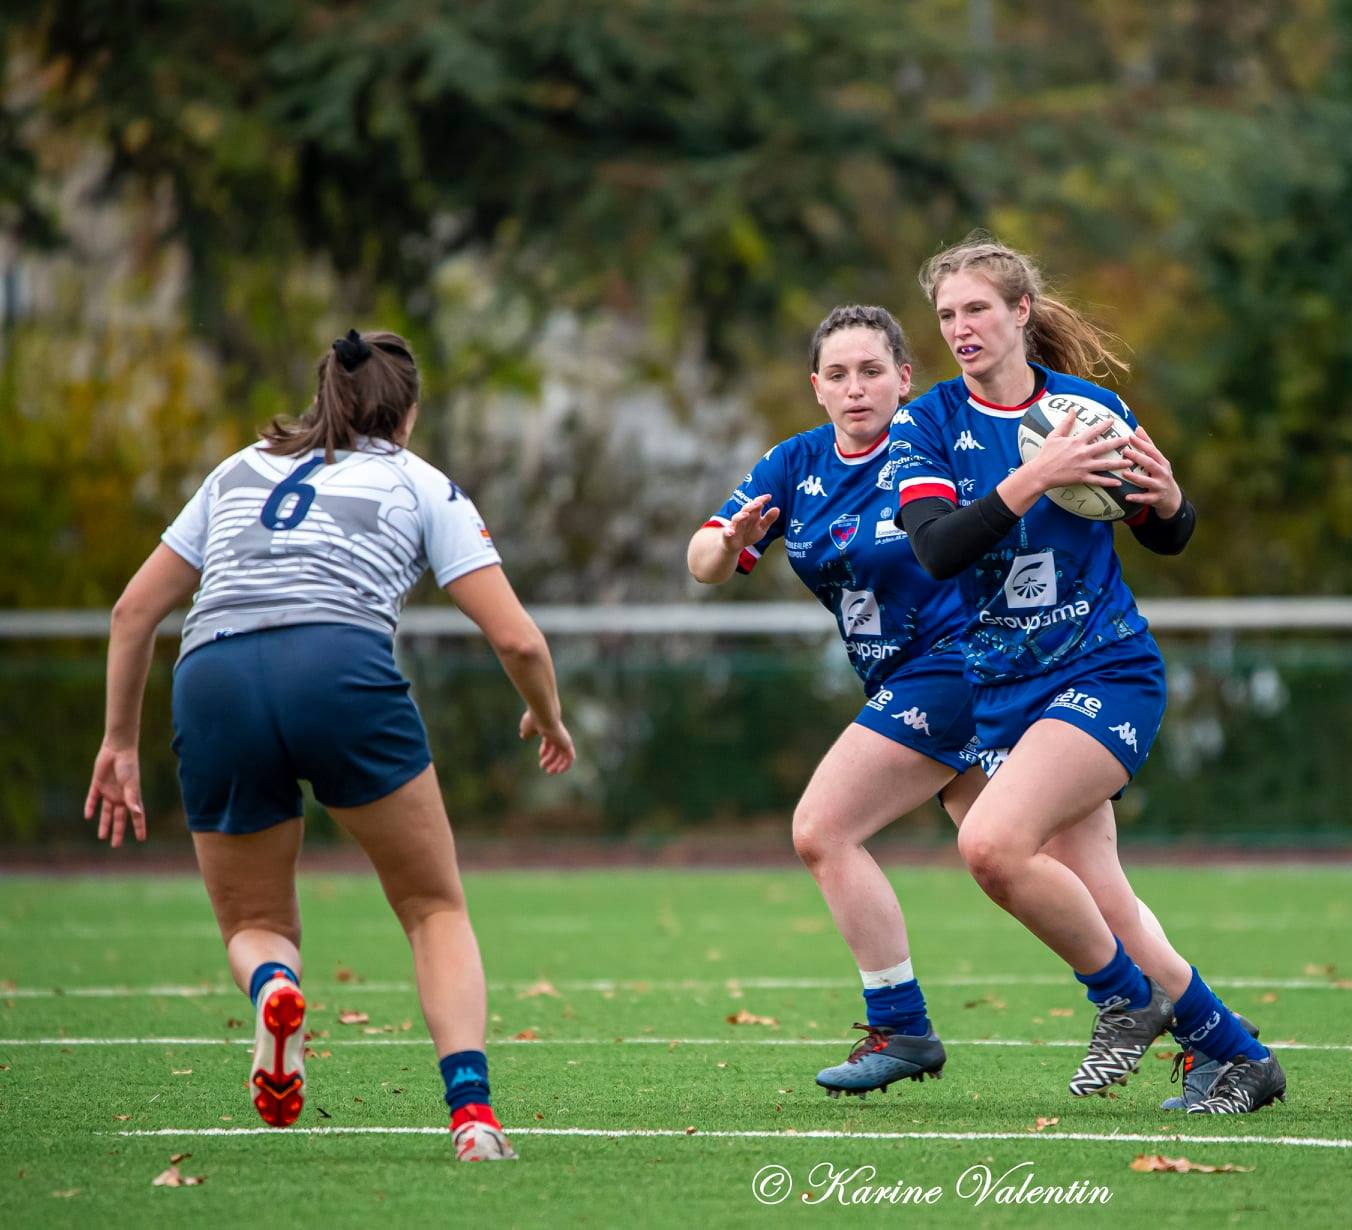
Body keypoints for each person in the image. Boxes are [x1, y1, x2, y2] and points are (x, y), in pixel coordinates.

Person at [688, 305, 1202, 1099]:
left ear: (903, 377)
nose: (855, 389)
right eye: (837, 374)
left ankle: (910, 1024)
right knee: (1078, 879)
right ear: (815, 387)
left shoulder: (929, 443)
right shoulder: (795, 466)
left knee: (824, 828)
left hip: (958, 668)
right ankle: (1221, 1042)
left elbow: (977, 526)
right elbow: (703, 563)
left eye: (871, 371)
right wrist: (726, 542)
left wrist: (1141, 496)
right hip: (916, 684)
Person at [85, 329, 575, 1163]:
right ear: (409, 411)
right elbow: (520, 642)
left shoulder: (236, 469)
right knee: (432, 907)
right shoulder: (420, 482)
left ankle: (276, 989)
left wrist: (118, 743)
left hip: (214, 677)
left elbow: (134, 612)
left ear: (325, 397)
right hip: (335, 666)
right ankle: (472, 1117)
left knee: (256, 921)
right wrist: (549, 716)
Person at [888, 235, 1283, 1114]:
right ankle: (1238, 1055)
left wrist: (1172, 500)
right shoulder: (926, 423)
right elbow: (938, 551)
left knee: (989, 845)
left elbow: (1168, 534)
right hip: (1004, 696)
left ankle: (1120, 999)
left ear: (1020, 312)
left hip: (1105, 669)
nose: (960, 328)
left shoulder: (1091, 409)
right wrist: (1036, 478)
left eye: (977, 309)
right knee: (1105, 898)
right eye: (947, 314)